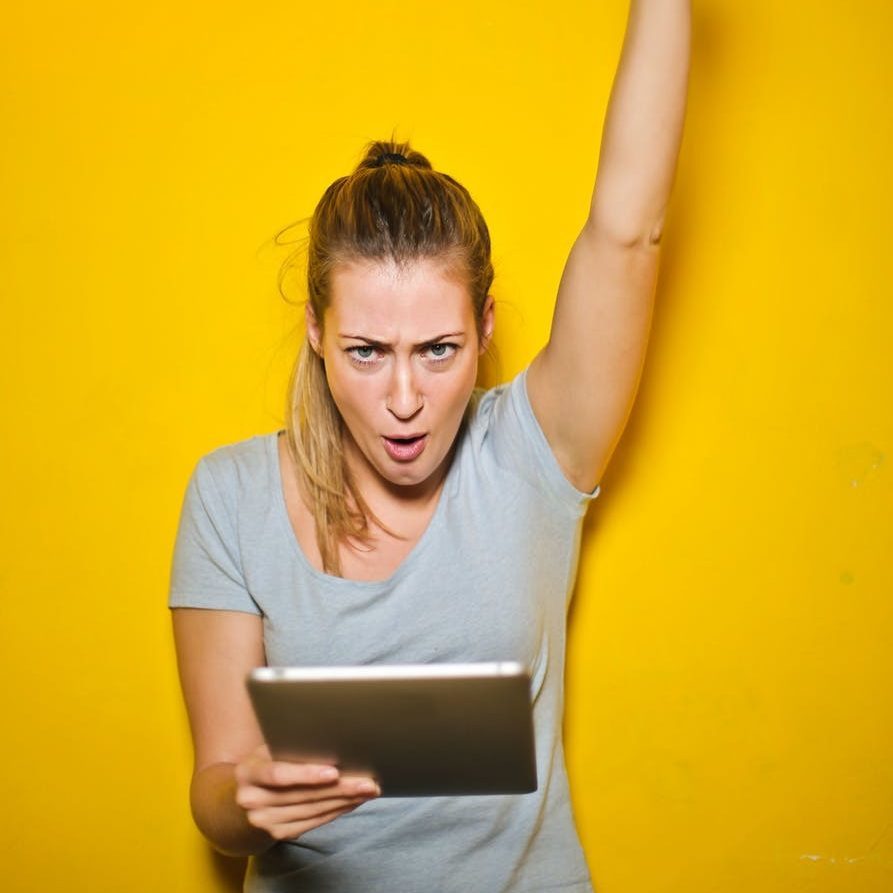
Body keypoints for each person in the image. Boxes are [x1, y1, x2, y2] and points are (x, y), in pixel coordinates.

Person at [169, 2, 690, 890]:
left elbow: (627, 228)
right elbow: (216, 794)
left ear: (484, 327)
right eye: (366, 351)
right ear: (316, 333)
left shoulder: (536, 451)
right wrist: (245, 800)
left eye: (437, 350)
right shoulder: (231, 495)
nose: (404, 402)